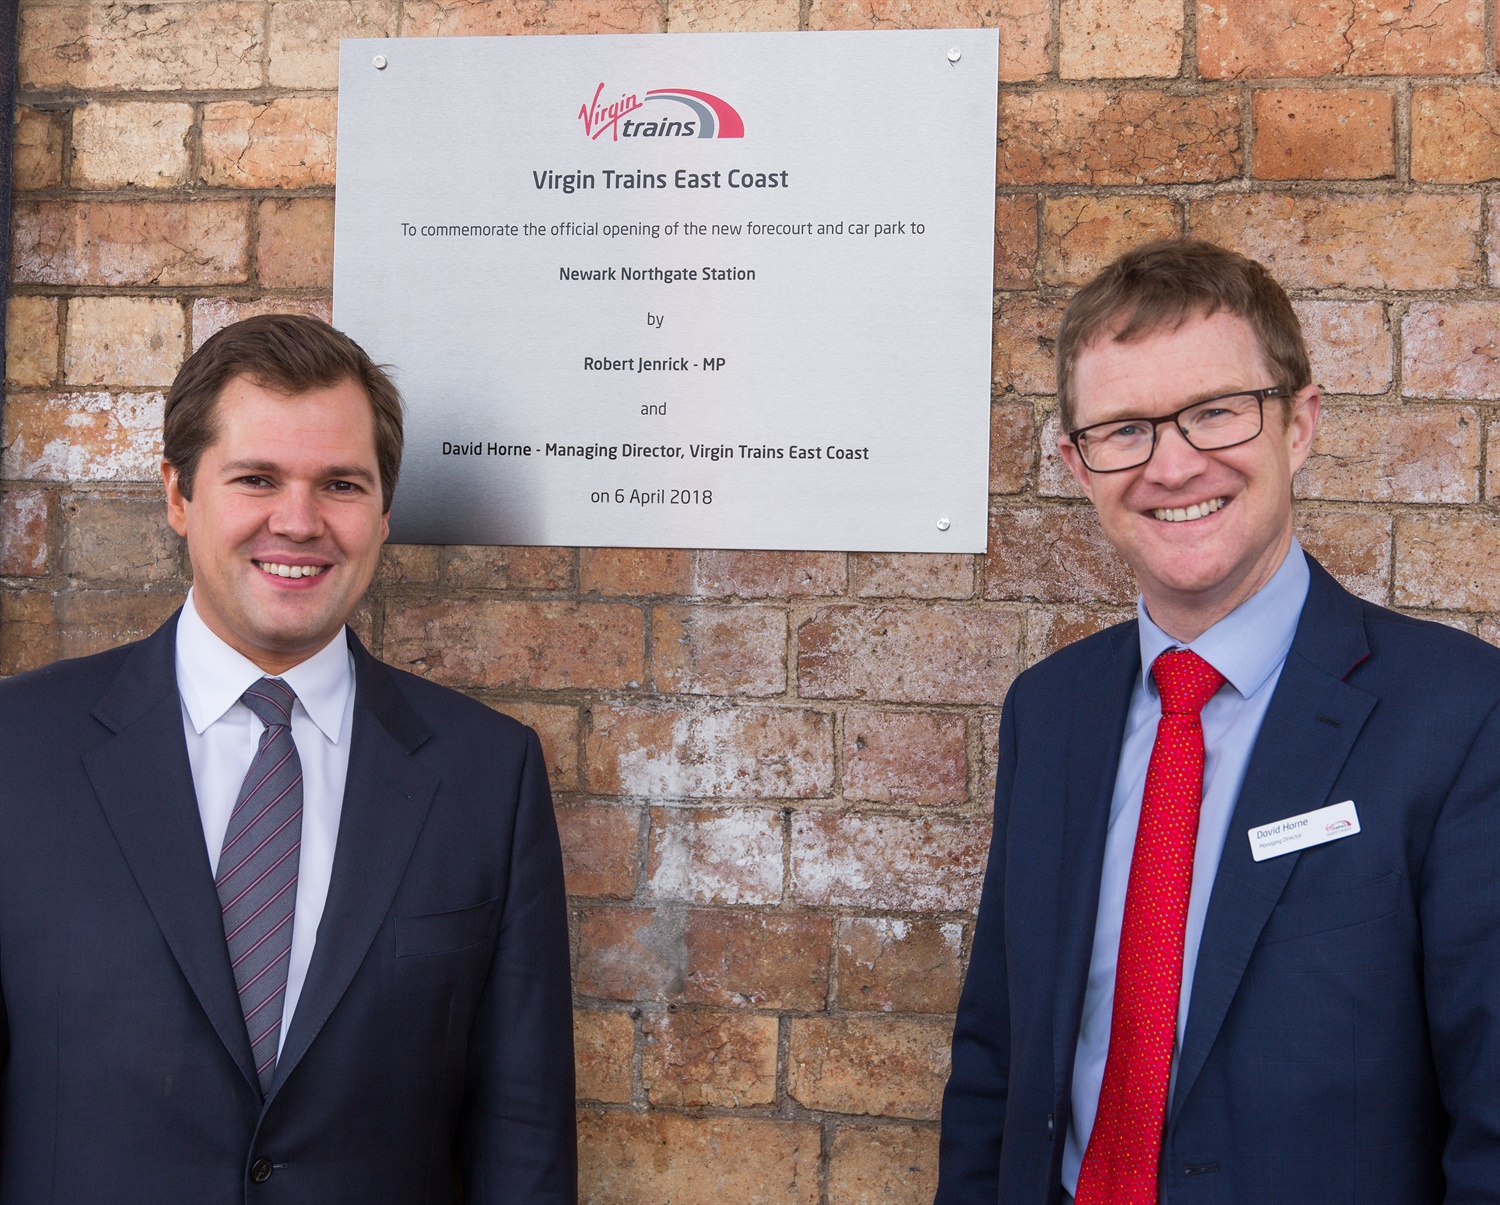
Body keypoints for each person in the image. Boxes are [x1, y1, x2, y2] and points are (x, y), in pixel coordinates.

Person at [936, 239, 1500, 1204]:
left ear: (1300, 424)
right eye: (1125, 429)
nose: (1173, 464)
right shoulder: (1049, 710)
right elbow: (996, 1051)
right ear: (1078, 464)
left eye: (1215, 412)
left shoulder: (1460, 714)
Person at [0, 315, 577, 1202]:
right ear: (178, 494)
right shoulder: (19, 746)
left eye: (340, 484)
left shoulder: (487, 775)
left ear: (384, 512)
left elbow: (523, 1134)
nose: (299, 522)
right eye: (257, 478)